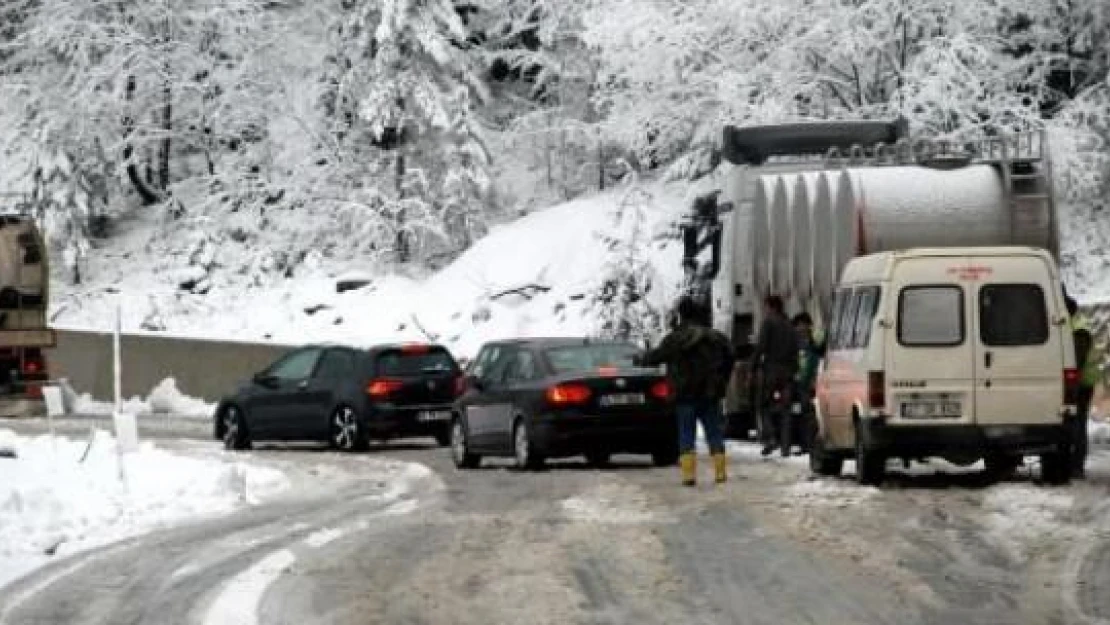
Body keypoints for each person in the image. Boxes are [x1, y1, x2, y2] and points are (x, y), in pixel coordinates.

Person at [640, 296, 735, 486]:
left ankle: (689, 476)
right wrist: (722, 380)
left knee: (686, 433)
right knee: (714, 433)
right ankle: (720, 473)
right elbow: (731, 357)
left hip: (684, 394)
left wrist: (640, 357)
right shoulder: (716, 337)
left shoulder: (675, 339)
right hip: (710, 393)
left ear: (680, 315)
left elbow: (654, 358)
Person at [751, 295, 799, 457]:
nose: (765, 311)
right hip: (788, 373)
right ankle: (786, 447)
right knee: (786, 410)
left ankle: (771, 437)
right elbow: (795, 350)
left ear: (772, 307)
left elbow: (761, 347)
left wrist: (753, 366)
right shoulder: (790, 325)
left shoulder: (769, 323)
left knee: (763, 405)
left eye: (766, 307)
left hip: (772, 371)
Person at [1067, 296, 1098, 478]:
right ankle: (1076, 463)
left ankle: (1077, 465)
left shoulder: (1078, 328)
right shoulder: (1077, 324)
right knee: (1077, 422)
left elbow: (1076, 361)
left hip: (1082, 382)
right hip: (1082, 380)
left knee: (1078, 423)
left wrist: (1071, 385)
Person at [792, 312, 824, 453]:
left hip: (815, 380)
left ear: (805, 324)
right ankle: (806, 444)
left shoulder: (815, 336)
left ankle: (813, 444)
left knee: (812, 415)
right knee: (804, 415)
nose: (798, 330)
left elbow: (819, 353)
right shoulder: (796, 341)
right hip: (802, 381)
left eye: (799, 326)